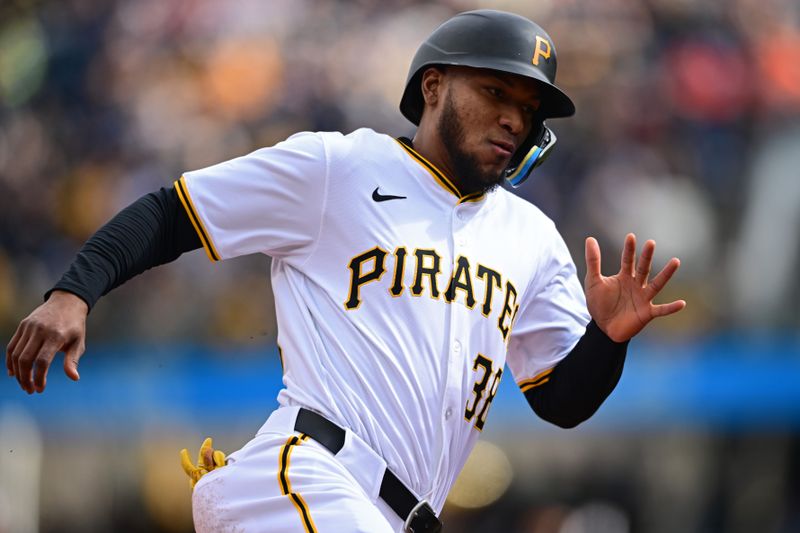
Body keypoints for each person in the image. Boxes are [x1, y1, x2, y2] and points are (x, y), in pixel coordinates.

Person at [5, 10, 685, 533]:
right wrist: (74, 291)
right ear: (434, 85)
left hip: (396, 513)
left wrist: (608, 337)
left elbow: (560, 400)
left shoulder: (531, 236)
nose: (513, 117)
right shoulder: (339, 167)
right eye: (495, 90)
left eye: (529, 108)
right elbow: (172, 212)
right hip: (307, 473)